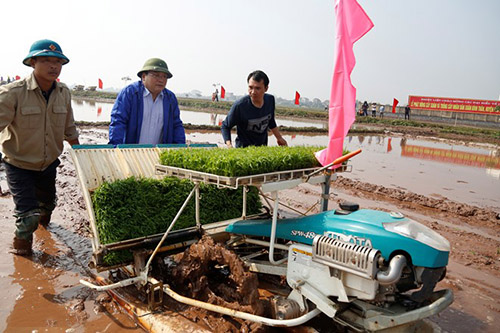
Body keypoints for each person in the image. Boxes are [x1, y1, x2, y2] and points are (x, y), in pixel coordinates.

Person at [0, 39, 80, 255]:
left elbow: (69, 127)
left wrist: (82, 157)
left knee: (46, 208)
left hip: (48, 164)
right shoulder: (12, 93)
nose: (53, 66)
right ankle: (22, 254)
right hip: (19, 165)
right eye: (46, 60)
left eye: (58, 62)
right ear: (32, 62)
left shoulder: (64, 93)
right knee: (27, 218)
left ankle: (44, 228)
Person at [109, 58, 186, 145]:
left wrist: (180, 147)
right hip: (131, 153)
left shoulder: (170, 99)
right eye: (156, 75)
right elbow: (118, 122)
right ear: (144, 77)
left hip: (157, 154)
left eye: (164, 77)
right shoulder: (130, 93)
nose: (161, 80)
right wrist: (116, 148)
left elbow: (176, 125)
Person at [221, 70, 287, 148]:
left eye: (257, 88)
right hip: (243, 149)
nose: (253, 92)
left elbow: (271, 120)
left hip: (262, 147)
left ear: (266, 88)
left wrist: (279, 138)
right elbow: (225, 126)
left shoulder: (270, 100)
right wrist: (229, 145)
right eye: (250, 87)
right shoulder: (240, 106)